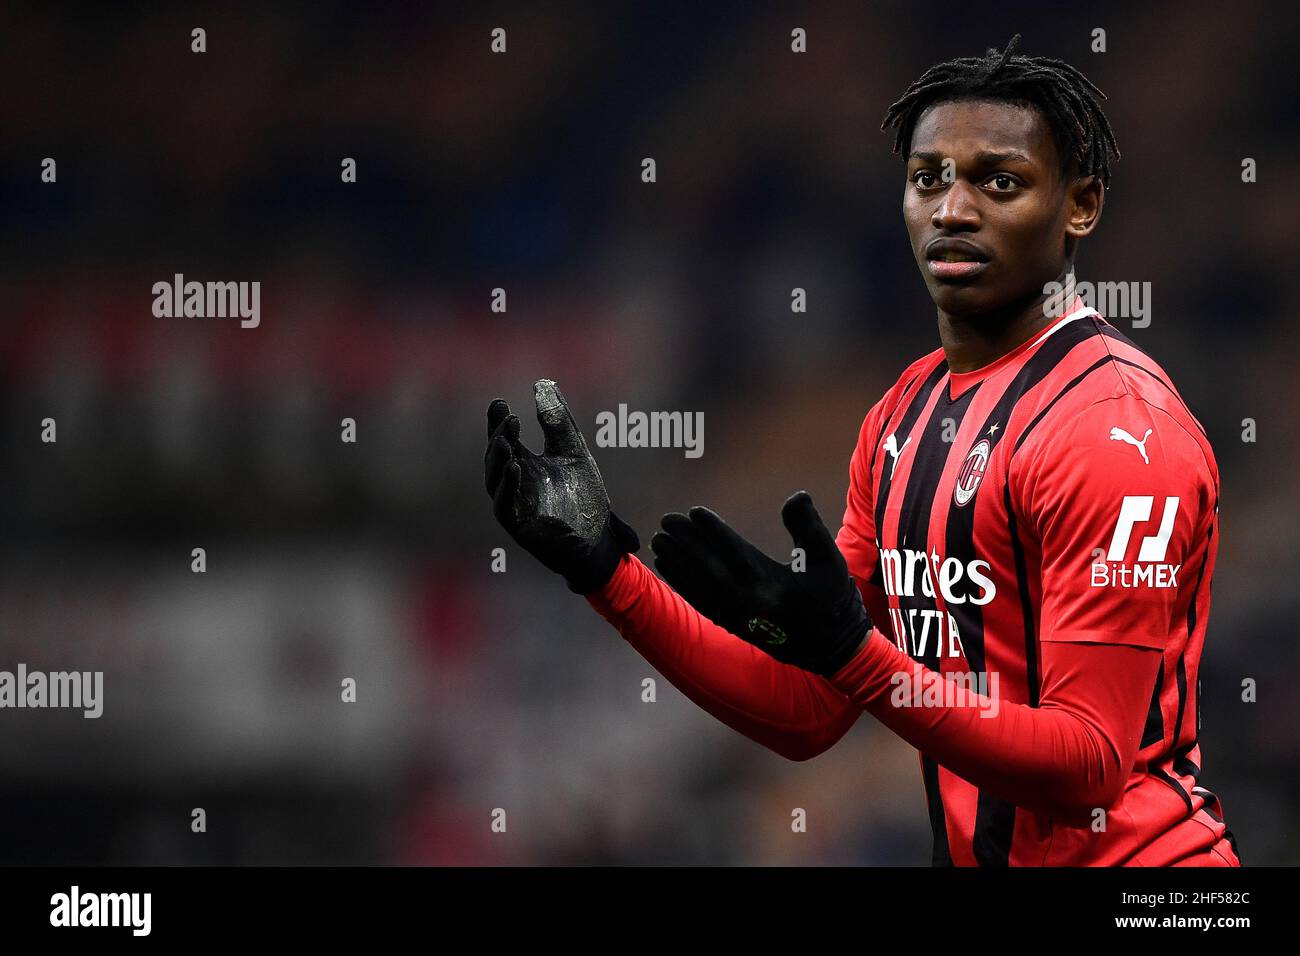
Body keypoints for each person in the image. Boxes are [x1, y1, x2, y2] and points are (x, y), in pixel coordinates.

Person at [483, 36, 1239, 867]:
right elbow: (810, 711)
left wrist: (859, 656)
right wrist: (607, 573)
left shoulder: (1118, 432)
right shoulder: (902, 417)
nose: (953, 209)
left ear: (1080, 206)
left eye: (1000, 182)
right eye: (929, 180)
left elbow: (1090, 766)